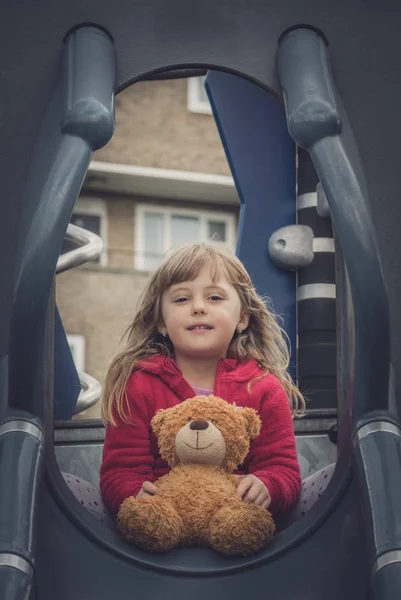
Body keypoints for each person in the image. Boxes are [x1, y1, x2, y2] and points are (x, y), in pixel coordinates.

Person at [100, 243, 305, 520]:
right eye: (182, 299)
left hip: (236, 522)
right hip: (163, 528)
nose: (198, 307)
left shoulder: (263, 388)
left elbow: (284, 470)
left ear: (242, 317)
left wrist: (268, 487)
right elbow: (120, 471)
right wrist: (133, 494)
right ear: (161, 321)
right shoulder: (137, 386)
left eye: (215, 298)